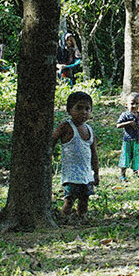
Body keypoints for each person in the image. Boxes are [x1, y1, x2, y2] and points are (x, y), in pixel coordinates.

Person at [53, 90, 100, 219]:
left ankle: (81, 219)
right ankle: (64, 219)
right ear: (69, 110)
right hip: (71, 175)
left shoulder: (89, 130)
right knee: (69, 200)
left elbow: (94, 153)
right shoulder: (66, 127)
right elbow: (51, 142)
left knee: (84, 200)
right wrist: (49, 161)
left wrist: (96, 173)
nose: (83, 112)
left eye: (87, 109)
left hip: (86, 175)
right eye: (79, 108)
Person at [116, 93, 139, 181]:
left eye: (137, 103)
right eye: (132, 103)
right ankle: (122, 175)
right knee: (125, 157)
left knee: (136, 157)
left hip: (137, 141)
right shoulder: (125, 115)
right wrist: (129, 123)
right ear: (127, 104)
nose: (134, 106)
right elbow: (118, 125)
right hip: (128, 140)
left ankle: (135, 173)